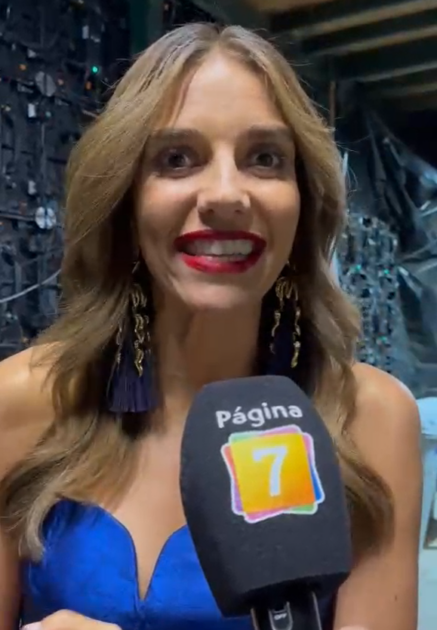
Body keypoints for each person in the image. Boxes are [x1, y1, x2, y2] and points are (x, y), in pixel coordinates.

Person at [0, 23, 421, 630]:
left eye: (265, 158)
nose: (226, 195)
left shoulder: (372, 421)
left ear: (303, 203)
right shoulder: (18, 402)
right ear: (125, 200)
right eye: (176, 159)